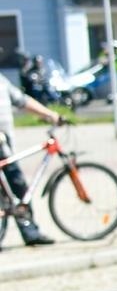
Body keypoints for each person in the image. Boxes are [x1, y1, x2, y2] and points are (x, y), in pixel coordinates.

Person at [0, 71, 64, 248]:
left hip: (5, 148)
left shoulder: (2, 81)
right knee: (17, 186)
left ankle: (30, 232)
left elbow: (22, 101)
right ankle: (30, 232)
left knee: (18, 190)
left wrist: (50, 114)